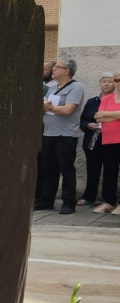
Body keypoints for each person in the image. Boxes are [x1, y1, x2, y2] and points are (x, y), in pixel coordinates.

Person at [36, 59, 86, 214]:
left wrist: (50, 107)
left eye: (57, 67)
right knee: (48, 169)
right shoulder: (53, 88)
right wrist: (45, 107)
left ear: (67, 71)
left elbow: (68, 110)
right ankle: (46, 201)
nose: (53, 70)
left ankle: (68, 203)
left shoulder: (76, 87)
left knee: (66, 169)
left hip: (65, 135)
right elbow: (44, 107)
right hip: (48, 133)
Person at [79, 75, 114, 209]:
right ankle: (89, 197)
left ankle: (108, 199)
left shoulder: (116, 101)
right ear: (99, 84)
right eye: (103, 82)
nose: (106, 84)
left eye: (110, 82)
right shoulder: (92, 101)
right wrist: (88, 125)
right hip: (93, 141)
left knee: (110, 170)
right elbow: (82, 121)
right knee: (92, 169)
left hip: (111, 140)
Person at [89, 71, 120, 215]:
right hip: (109, 139)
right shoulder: (107, 98)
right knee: (109, 172)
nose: (119, 82)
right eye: (117, 79)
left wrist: (108, 115)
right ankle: (109, 201)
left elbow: (104, 115)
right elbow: (99, 117)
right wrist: (116, 116)